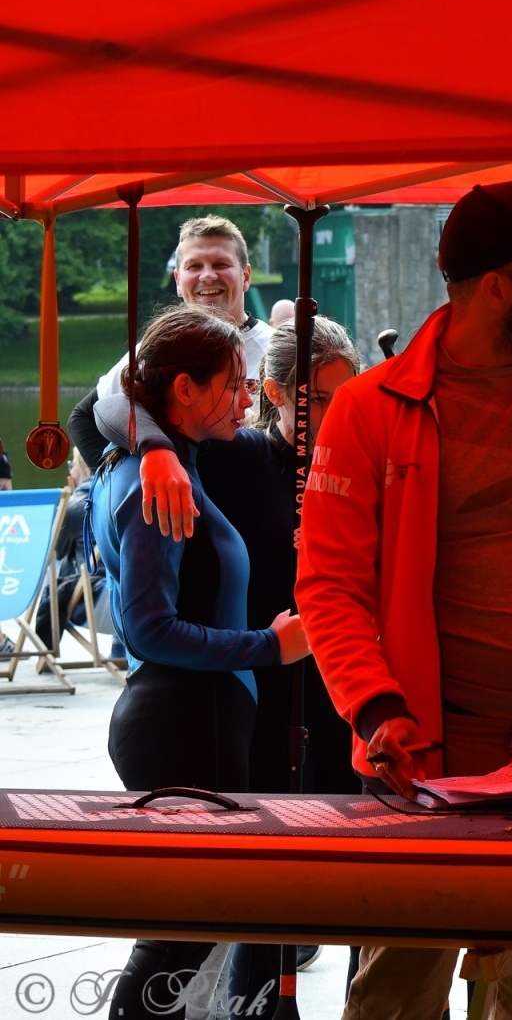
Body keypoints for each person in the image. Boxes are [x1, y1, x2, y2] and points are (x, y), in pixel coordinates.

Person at [297, 180, 512, 1020]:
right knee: (391, 1005)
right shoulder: (366, 409)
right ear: (498, 285)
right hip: (412, 776)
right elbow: (328, 587)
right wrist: (376, 711)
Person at [95, 316, 366, 1014]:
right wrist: (152, 445)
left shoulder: (351, 459)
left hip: (312, 704)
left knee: (258, 905)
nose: (242, 398)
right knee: (214, 920)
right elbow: (102, 405)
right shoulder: (203, 461)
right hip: (221, 712)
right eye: (239, 387)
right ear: (280, 393)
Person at [69, 215, 274, 462]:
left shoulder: (277, 349)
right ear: (178, 281)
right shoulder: (159, 350)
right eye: (194, 266)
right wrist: (120, 480)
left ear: (246, 276)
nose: (207, 276)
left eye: (221, 264)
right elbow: (84, 418)